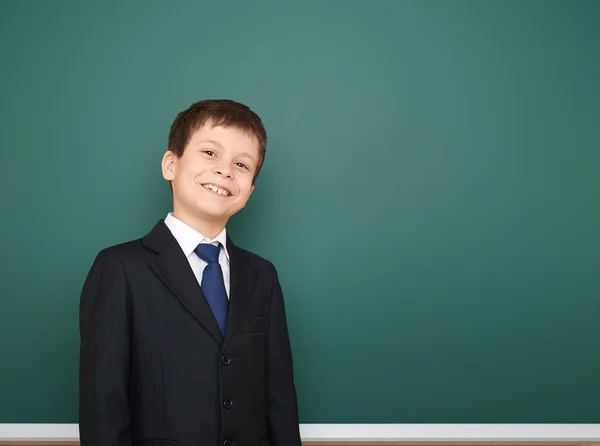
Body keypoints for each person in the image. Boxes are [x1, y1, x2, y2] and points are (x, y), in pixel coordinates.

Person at [78, 99, 302, 446]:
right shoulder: (120, 268)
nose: (225, 171)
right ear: (171, 164)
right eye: (210, 153)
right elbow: (103, 405)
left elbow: (280, 399)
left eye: (241, 164)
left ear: (249, 192)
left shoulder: (262, 276)